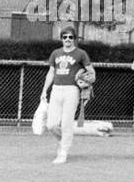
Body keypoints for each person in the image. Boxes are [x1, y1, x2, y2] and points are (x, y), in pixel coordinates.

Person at [39, 26, 95, 164]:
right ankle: (62, 141)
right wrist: (44, 89)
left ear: (74, 39)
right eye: (65, 37)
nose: (68, 39)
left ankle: (63, 153)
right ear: (62, 39)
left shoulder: (80, 53)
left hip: (72, 90)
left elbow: (92, 73)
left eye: (70, 37)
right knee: (51, 124)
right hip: (56, 89)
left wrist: (85, 80)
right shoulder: (56, 53)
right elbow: (51, 72)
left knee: (66, 123)